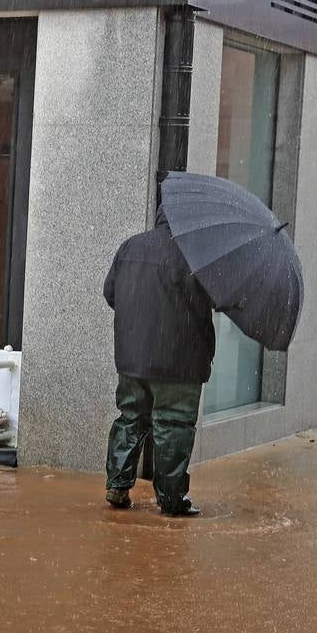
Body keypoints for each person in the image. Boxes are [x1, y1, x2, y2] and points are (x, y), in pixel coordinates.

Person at [102, 207, 215, 517]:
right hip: (180, 359)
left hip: (133, 357)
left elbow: (110, 293)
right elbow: (216, 300)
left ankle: (118, 485)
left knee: (130, 418)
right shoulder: (196, 255)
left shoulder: (131, 246)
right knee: (173, 426)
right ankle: (171, 499)